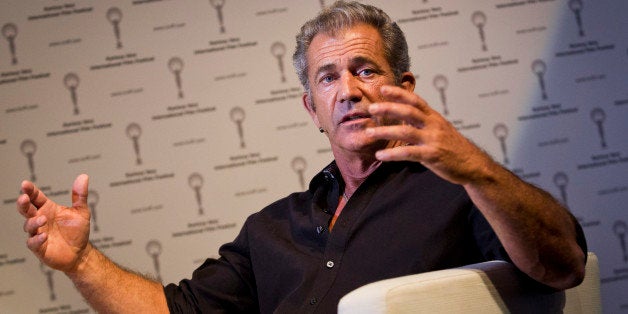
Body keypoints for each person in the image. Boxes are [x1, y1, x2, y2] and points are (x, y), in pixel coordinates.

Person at [17, 1, 586, 313]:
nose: (349, 90)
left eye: (365, 69)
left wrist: (474, 167)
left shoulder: (458, 193)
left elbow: (563, 268)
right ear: (312, 107)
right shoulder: (272, 228)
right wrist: (82, 261)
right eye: (328, 77)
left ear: (405, 87)